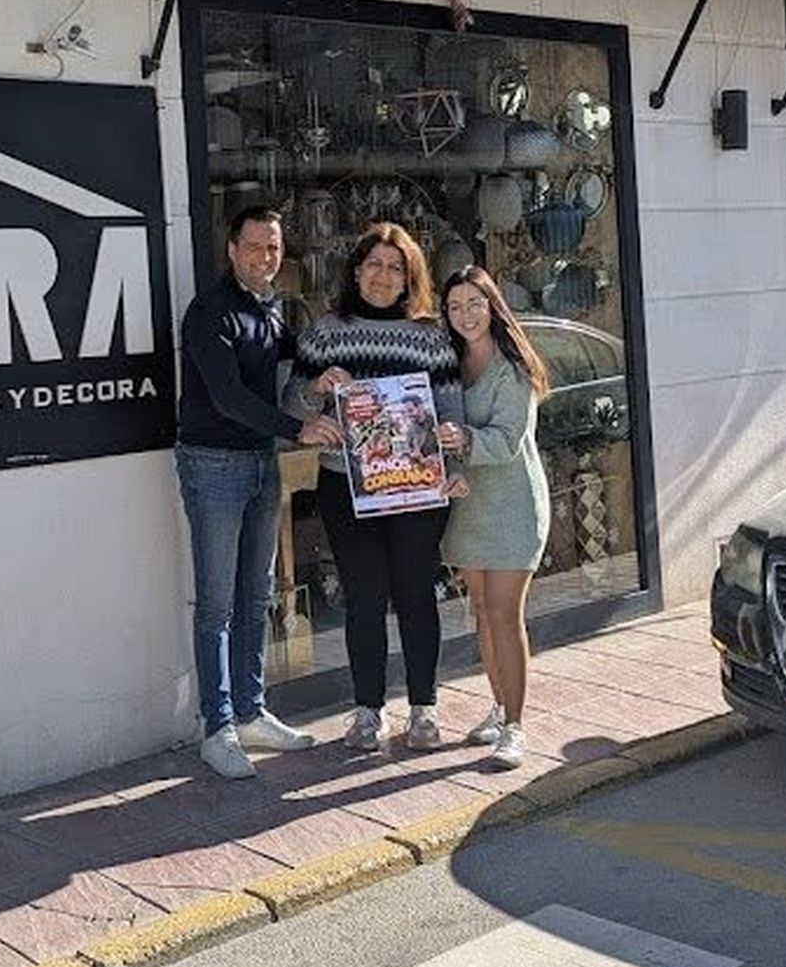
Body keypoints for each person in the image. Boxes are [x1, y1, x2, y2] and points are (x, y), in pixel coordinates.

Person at [175, 206, 344, 780]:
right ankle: (216, 726)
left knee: (257, 596)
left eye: (273, 248)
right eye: (254, 247)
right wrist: (297, 429)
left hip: (260, 464)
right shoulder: (209, 313)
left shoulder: (271, 312)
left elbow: (299, 363)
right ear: (231, 249)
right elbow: (227, 397)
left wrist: (323, 380)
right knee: (217, 603)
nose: (264, 257)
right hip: (214, 466)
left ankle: (250, 713)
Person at [289, 224, 464, 752]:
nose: (383, 276)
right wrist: (316, 393)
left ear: (409, 276)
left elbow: (450, 404)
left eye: (395, 266)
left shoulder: (431, 335)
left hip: (415, 488)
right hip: (346, 486)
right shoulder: (325, 333)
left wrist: (453, 457)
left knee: (415, 594)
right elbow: (293, 404)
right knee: (364, 598)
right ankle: (368, 712)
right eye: (374, 265)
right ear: (356, 271)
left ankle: (424, 710)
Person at [436, 266, 552, 772]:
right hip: (468, 505)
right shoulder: (449, 364)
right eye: (455, 306)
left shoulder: (514, 369)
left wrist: (461, 441)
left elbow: (506, 441)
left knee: (506, 615)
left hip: (511, 506)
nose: (465, 315)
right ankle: (500, 706)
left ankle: (516, 727)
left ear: (493, 306)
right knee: (482, 610)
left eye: (474, 304)